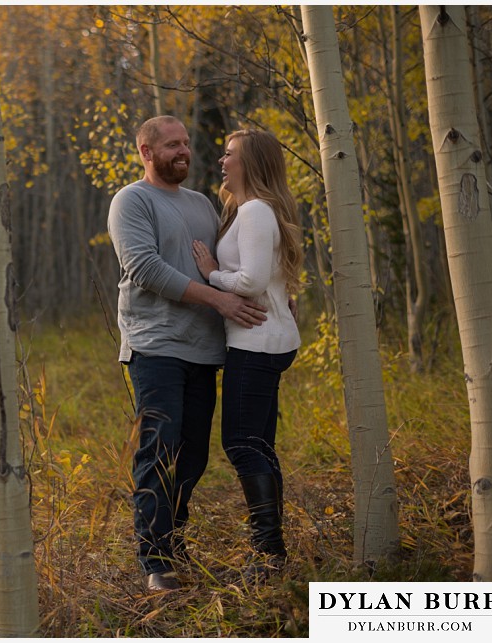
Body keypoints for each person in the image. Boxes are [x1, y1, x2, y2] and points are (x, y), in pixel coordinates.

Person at [107, 115, 268, 592]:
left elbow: (235, 263)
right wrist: (217, 299)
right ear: (146, 151)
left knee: (193, 456)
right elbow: (145, 269)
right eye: (171, 144)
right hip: (155, 346)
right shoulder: (131, 201)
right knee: (160, 449)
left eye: (186, 144)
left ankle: (174, 542)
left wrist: (272, 293)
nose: (183, 151)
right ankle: (154, 561)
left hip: (205, 350)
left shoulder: (202, 204)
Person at [191, 129, 303, 583]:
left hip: (256, 344)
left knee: (240, 445)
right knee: (257, 444)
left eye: (230, 154)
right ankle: (272, 550)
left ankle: (267, 552)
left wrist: (212, 275)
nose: (222, 160)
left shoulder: (256, 211)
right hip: (266, 340)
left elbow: (252, 282)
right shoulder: (250, 211)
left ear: (250, 163)